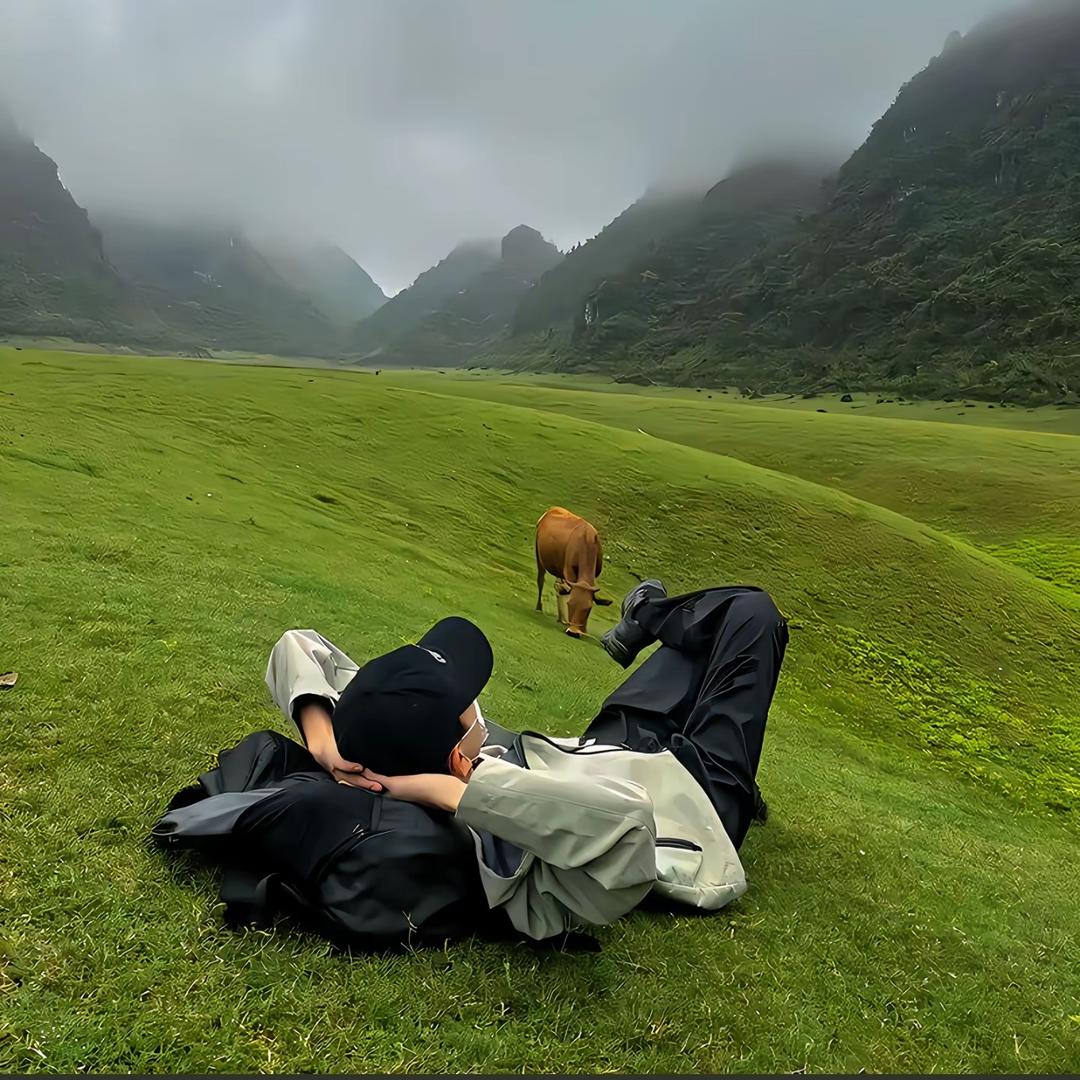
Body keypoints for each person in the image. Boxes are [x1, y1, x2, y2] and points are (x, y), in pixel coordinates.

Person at [265, 580, 788, 941]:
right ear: (457, 751)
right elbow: (631, 826)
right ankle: (647, 615)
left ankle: (644, 618)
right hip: (694, 801)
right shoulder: (510, 865)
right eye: (468, 698)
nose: (475, 700)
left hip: (602, 748)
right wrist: (459, 793)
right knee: (753, 614)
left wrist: (324, 741)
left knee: (709, 633)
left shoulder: (389, 735)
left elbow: (299, 644)